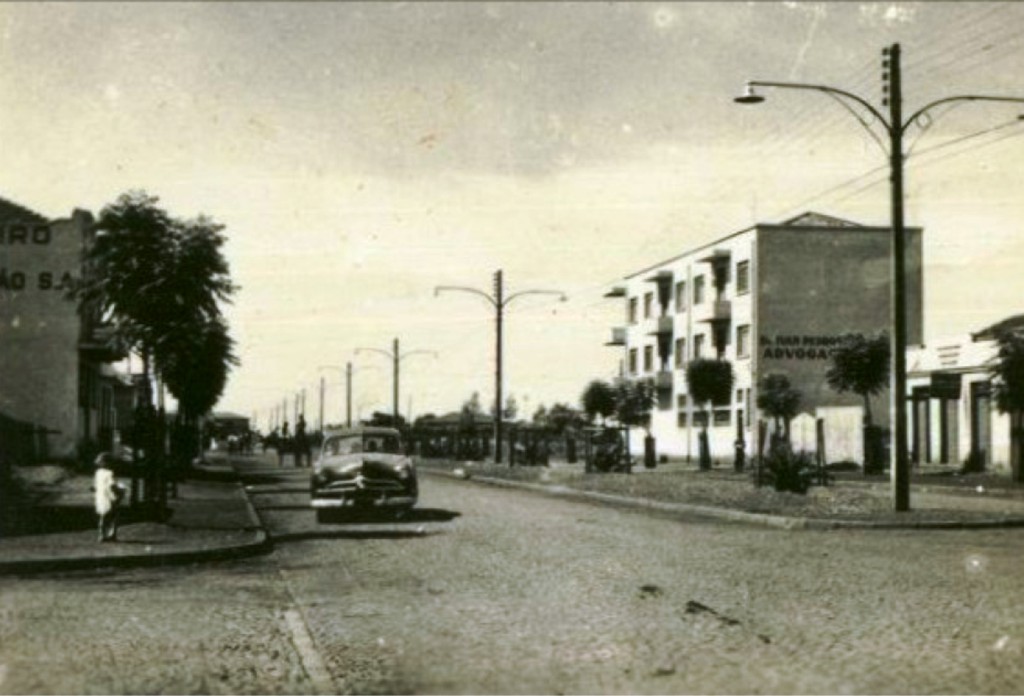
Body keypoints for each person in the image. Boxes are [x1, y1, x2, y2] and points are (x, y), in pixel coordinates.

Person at [93, 452, 125, 542]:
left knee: (103, 516)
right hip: (110, 497)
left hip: (101, 496)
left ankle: (101, 534)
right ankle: (112, 534)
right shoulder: (110, 473)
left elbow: (96, 485)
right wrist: (120, 491)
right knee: (114, 515)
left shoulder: (98, 473)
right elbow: (112, 486)